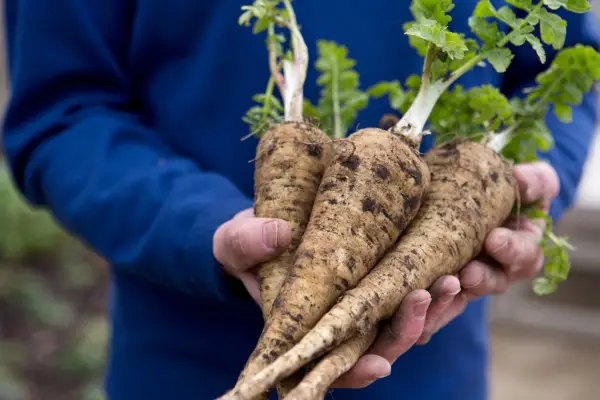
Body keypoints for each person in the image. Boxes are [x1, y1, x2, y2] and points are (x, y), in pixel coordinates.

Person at [2, 1, 598, 399]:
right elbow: (64, 112)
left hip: (435, 349)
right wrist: (199, 225)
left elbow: (568, 73)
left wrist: (531, 184)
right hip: (178, 353)